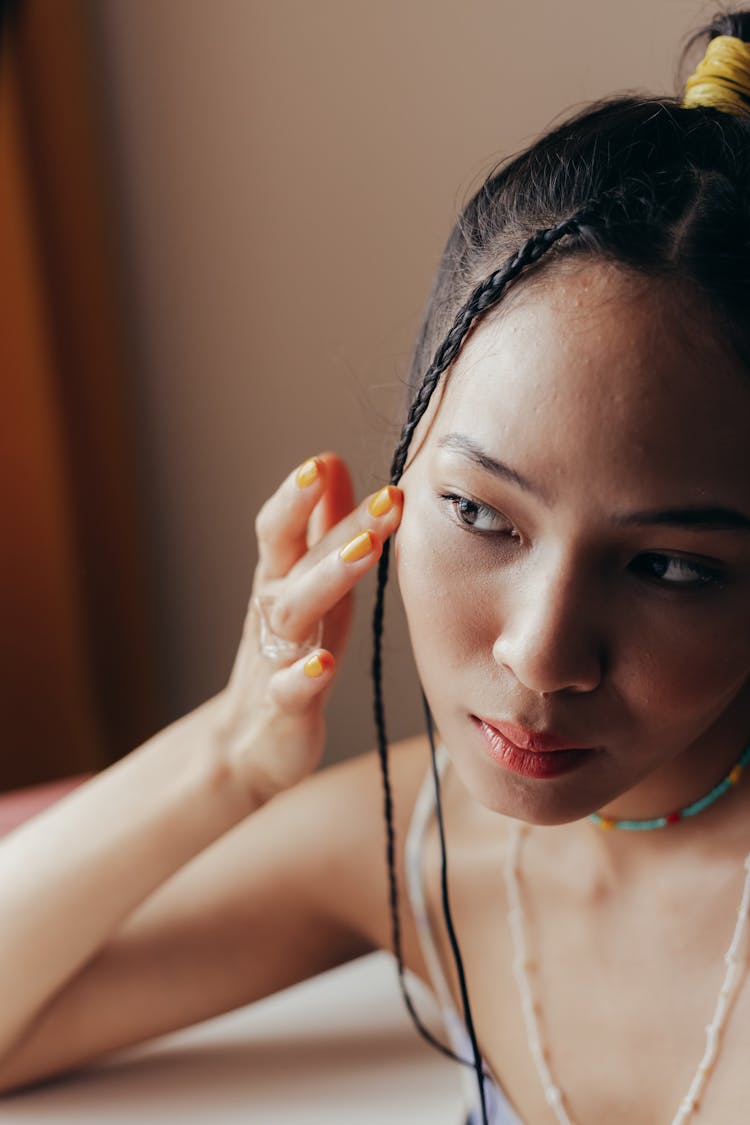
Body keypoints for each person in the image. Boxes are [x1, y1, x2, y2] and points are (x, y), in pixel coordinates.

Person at [2, 10, 750, 1123]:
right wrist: (231, 752)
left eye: (670, 570)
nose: (542, 655)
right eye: (479, 514)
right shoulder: (418, 843)